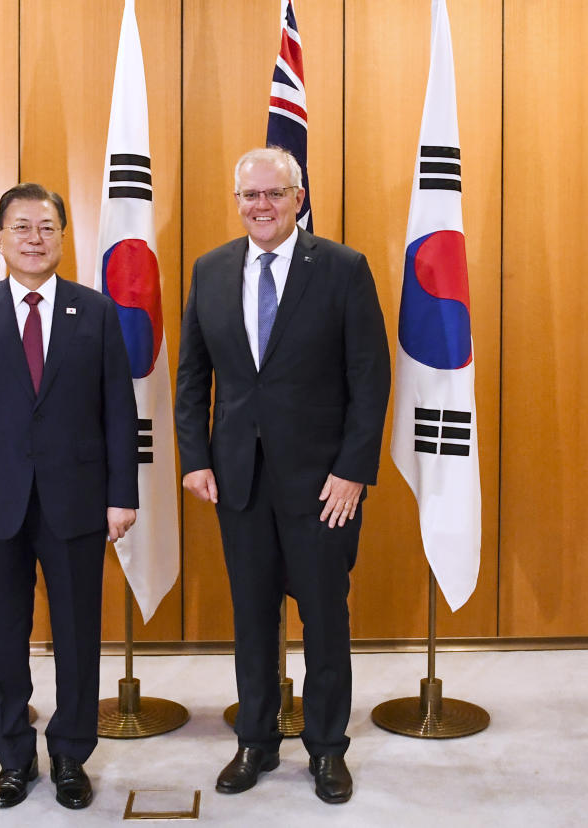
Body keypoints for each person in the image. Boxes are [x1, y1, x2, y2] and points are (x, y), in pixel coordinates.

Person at [175, 147, 390, 804]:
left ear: (298, 197)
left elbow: (369, 377)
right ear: (237, 200)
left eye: (274, 194)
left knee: (325, 617)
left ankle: (327, 749)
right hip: (238, 477)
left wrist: (353, 470)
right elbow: (192, 377)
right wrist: (196, 458)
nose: (260, 206)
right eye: (249, 195)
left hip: (323, 483)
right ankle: (257, 742)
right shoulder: (209, 270)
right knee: (252, 617)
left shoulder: (343, 269)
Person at [0, 183, 139, 810]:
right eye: (21, 227)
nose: (33, 239)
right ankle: (14, 758)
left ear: (62, 236)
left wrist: (121, 494)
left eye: (46, 227)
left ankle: (72, 755)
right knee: (5, 635)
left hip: (77, 498)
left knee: (79, 633)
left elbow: (117, 412)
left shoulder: (95, 311)